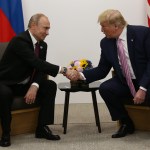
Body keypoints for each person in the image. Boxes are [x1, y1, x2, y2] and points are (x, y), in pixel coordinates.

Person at [67, 9, 150, 138]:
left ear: (116, 26)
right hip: (126, 82)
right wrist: (80, 75)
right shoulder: (106, 42)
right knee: (106, 88)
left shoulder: (142, 33)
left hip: (146, 80)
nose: (101, 30)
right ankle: (126, 123)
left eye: (103, 26)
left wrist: (143, 88)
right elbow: (102, 69)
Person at [0, 13, 77, 147]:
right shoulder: (19, 41)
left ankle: (42, 127)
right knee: (4, 94)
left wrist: (34, 86)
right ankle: (6, 132)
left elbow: (40, 69)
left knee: (50, 86)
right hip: (6, 82)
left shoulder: (42, 45)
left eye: (48, 29)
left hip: (25, 83)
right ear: (34, 26)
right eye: (45, 28)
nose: (48, 32)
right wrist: (64, 70)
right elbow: (37, 62)